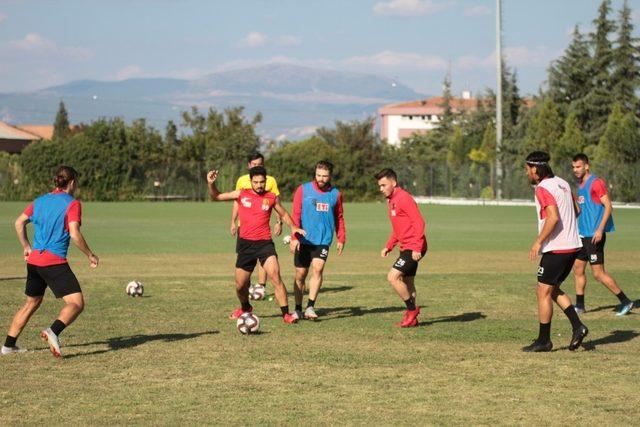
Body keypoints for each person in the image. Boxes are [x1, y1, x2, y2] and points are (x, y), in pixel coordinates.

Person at [2, 166, 99, 358]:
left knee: (32, 302)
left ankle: (7, 346)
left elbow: (18, 222)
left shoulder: (40, 201)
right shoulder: (72, 204)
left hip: (34, 261)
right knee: (76, 303)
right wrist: (90, 254)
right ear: (72, 183)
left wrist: (26, 246)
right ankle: (53, 331)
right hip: (53, 262)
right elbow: (74, 234)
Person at [207, 166, 304, 324]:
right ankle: (245, 308)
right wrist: (211, 184)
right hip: (245, 245)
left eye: (262, 182)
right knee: (240, 286)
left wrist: (293, 228)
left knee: (275, 276)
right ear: (250, 181)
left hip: (265, 244)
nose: (259, 185)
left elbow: (284, 214)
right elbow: (216, 196)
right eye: (256, 182)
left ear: (266, 181)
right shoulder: (241, 193)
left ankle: (286, 314)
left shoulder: (271, 197)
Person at [522, 151, 588, 352]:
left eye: (527, 169)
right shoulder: (563, 183)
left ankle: (544, 341)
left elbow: (552, 217)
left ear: (535, 169)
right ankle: (578, 327)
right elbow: (577, 211)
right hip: (574, 246)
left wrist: (538, 242)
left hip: (557, 249)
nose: (526, 173)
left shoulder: (542, 188)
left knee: (542, 291)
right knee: (552, 290)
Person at [571, 153, 633, 315]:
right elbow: (581, 210)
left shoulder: (596, 183)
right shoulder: (580, 185)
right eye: (573, 167)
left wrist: (600, 229)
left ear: (586, 166)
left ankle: (626, 301)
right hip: (583, 235)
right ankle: (580, 305)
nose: (575, 170)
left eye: (578, 166)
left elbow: (608, 206)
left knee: (598, 274)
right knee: (577, 268)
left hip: (594, 235)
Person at [289, 160, 346, 320]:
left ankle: (310, 307)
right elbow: (295, 214)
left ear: (330, 176)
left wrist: (341, 237)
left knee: (318, 269)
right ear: (315, 174)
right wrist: (295, 237)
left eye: (325, 176)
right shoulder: (303, 190)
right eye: (318, 175)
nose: (321, 178)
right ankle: (298, 309)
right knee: (300, 275)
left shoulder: (335, 194)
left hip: (322, 240)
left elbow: (339, 217)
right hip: (303, 239)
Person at [375, 168, 427, 327]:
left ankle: (412, 310)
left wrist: (417, 247)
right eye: (380, 186)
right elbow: (399, 229)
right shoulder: (391, 201)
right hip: (406, 246)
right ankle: (413, 320)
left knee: (392, 277)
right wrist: (388, 246)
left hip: (414, 247)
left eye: (384, 185)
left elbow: (419, 222)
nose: (381, 189)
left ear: (394, 182)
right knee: (408, 282)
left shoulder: (404, 198)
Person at [232, 152, 281, 297]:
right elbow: (236, 201)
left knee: (264, 258)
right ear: (248, 165)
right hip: (244, 229)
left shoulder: (270, 181)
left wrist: (278, 222)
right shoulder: (241, 180)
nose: (257, 166)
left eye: (260, 164)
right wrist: (232, 221)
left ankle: (261, 287)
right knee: (244, 260)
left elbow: (276, 202)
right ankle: (246, 288)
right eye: (254, 164)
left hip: (262, 230)